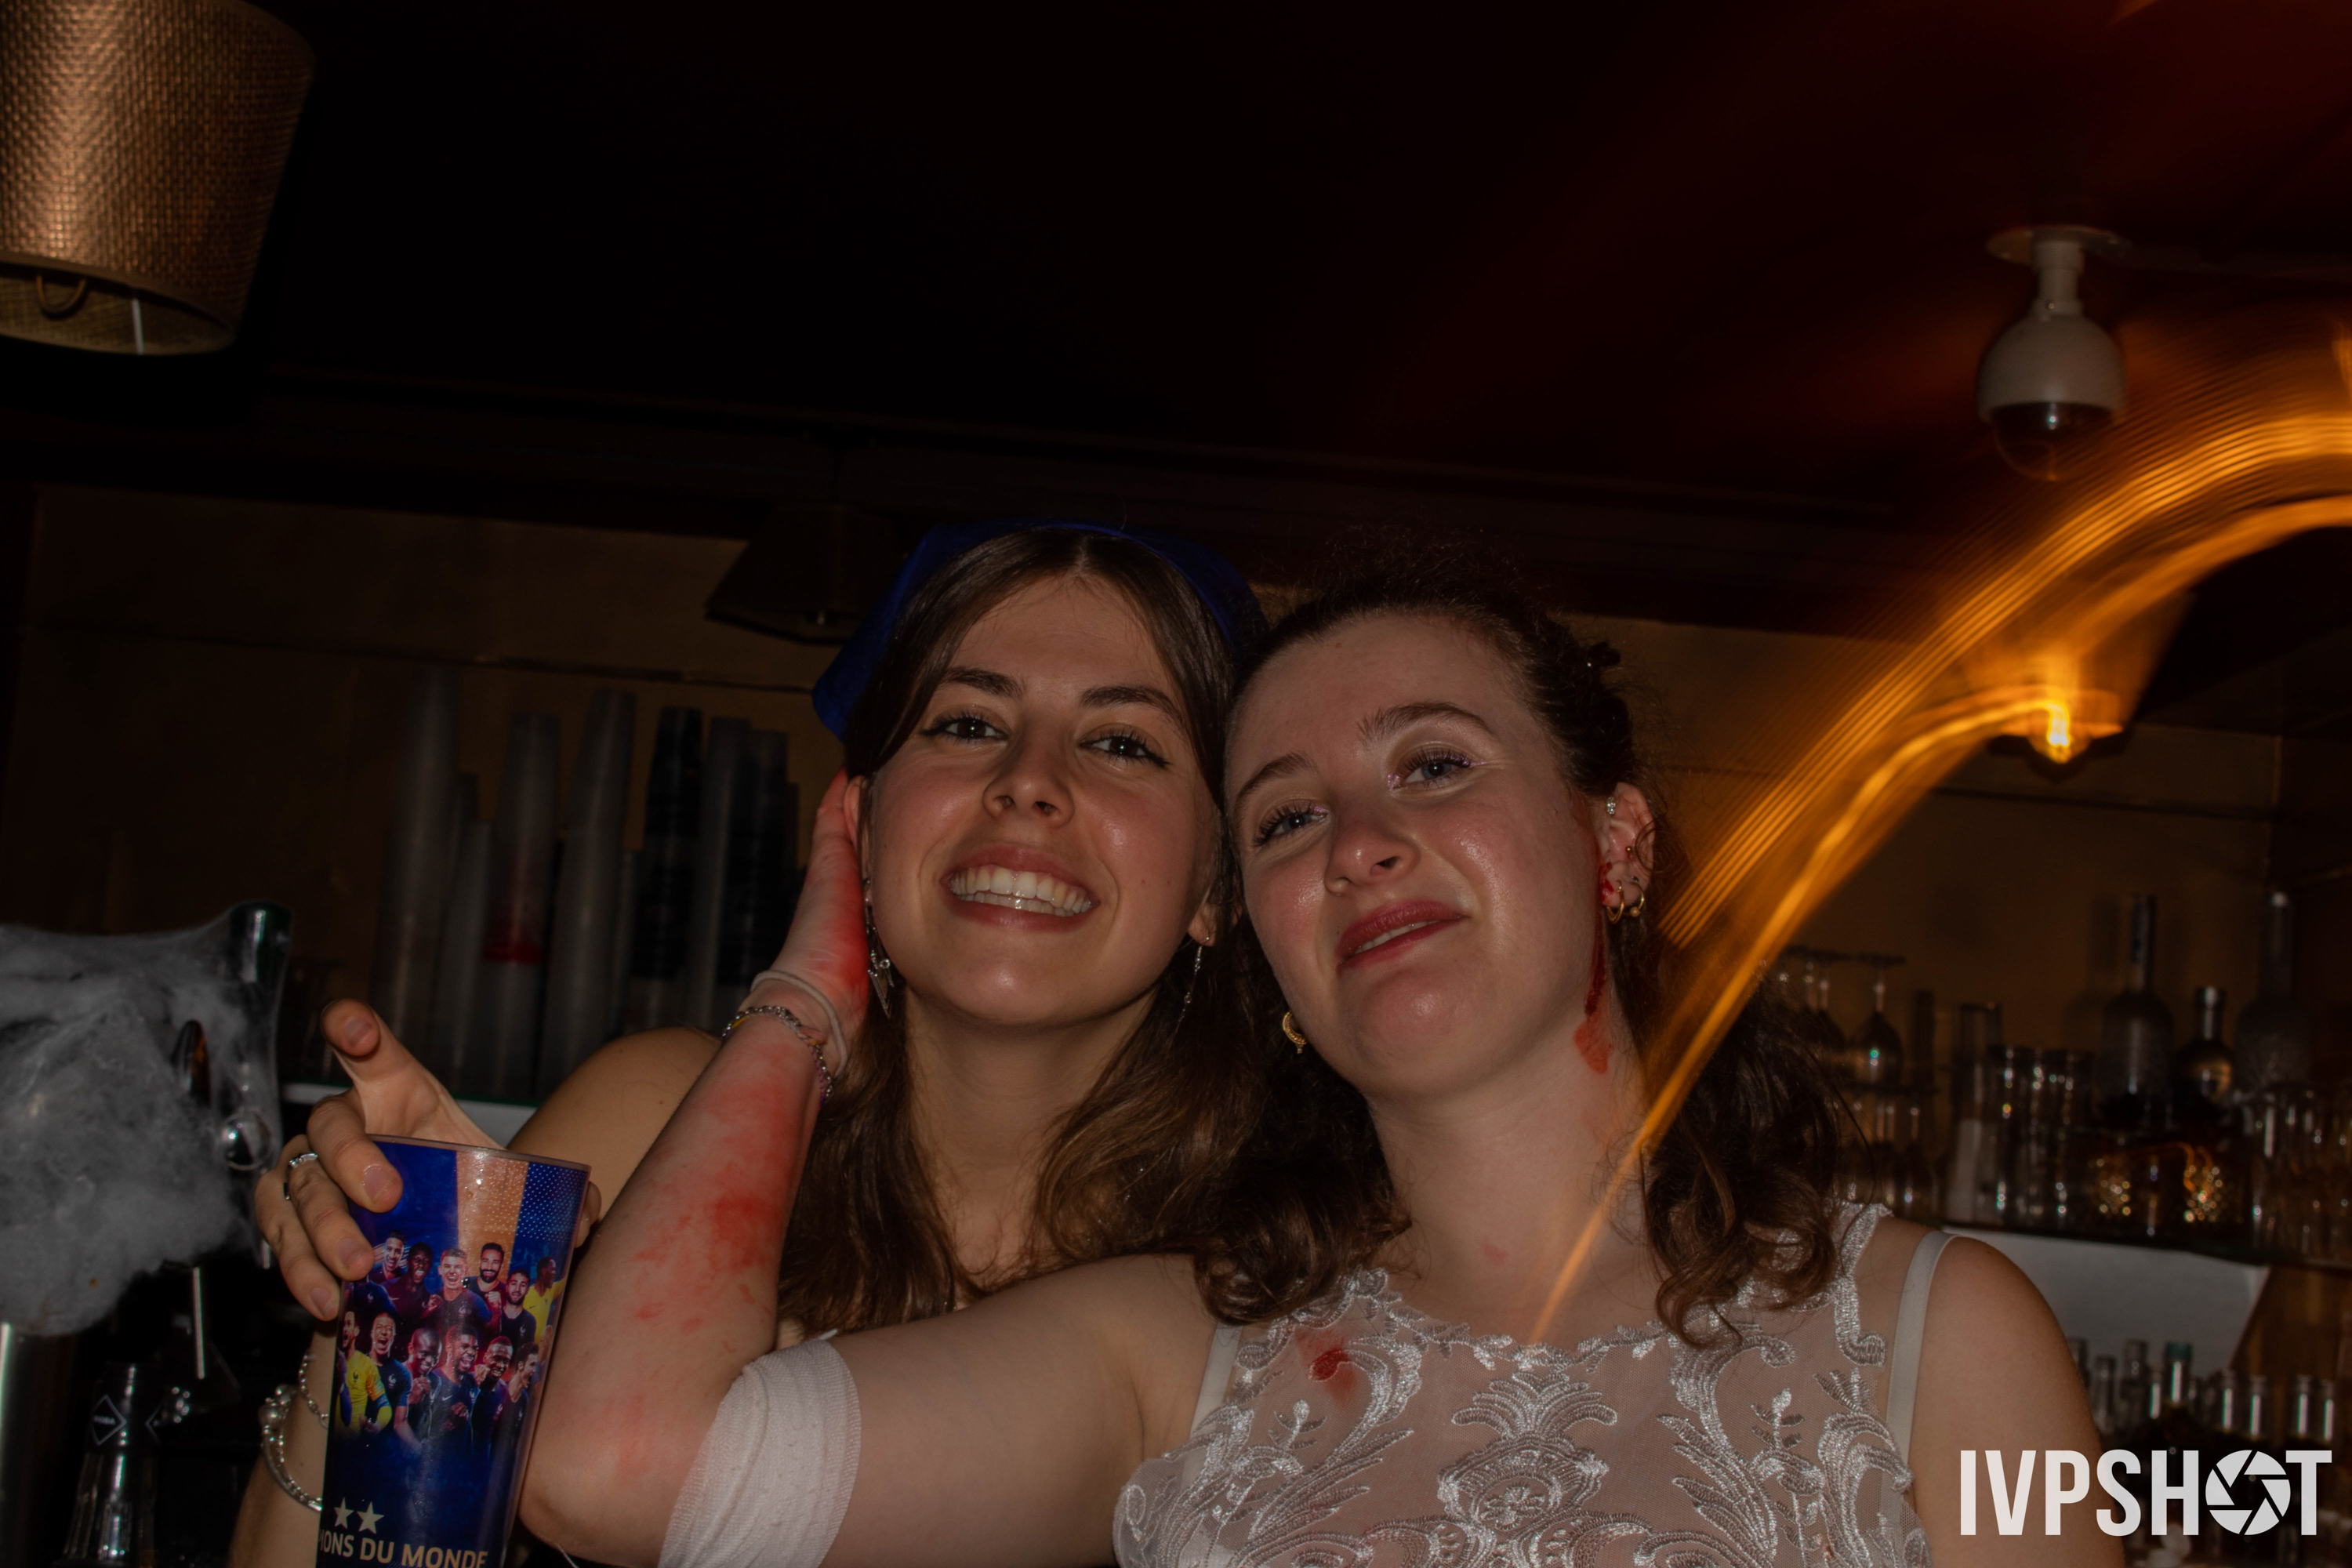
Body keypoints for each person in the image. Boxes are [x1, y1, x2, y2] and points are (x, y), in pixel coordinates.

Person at [528, 558, 2112, 1568]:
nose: (1360, 842)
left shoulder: (1942, 1339)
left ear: (1614, 841)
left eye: (1434, 762)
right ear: (1264, 951)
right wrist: (809, 996)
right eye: (1287, 817)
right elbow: (617, 1465)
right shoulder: (1174, 1354)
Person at [232, 521, 1274, 1562]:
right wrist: (400, 1296)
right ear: (862, 824)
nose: (1029, 780)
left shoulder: (1273, 1269)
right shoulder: (650, 1119)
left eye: (1123, 743)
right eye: (966, 723)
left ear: (1217, 888)